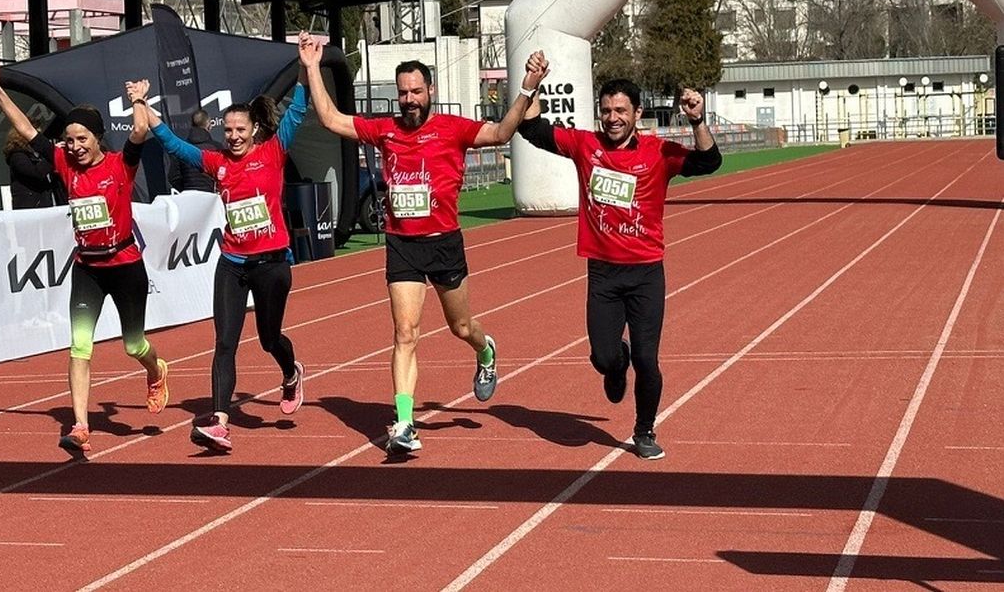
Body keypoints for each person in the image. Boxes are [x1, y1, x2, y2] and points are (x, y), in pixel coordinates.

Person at [304, 49, 533, 456]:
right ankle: (405, 423)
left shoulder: (452, 128)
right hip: (402, 244)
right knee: (405, 333)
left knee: (460, 327)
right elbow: (331, 120)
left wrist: (527, 89)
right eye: (403, 93)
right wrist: (310, 67)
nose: (409, 100)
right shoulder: (385, 131)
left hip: (443, 243)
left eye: (416, 91)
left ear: (431, 90)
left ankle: (485, 349)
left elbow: (499, 133)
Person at [515, 51, 722, 460]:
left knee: (648, 359)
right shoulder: (584, 145)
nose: (613, 118)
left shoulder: (657, 152)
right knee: (604, 357)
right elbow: (531, 128)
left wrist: (698, 120)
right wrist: (532, 83)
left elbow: (709, 161)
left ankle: (644, 430)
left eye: (621, 110)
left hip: (646, 274)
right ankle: (615, 361)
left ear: (637, 113)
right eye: (607, 110)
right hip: (604, 275)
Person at [0, 51, 170, 457]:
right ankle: (81, 424)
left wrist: (139, 99)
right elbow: (27, 129)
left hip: (125, 265)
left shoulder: (121, 165)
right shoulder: (65, 165)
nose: (74, 146)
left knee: (133, 345)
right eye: (69, 140)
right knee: (79, 345)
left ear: (98, 138)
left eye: (82, 139)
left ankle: (155, 370)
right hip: (88, 268)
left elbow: (140, 131)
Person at [135, 35, 312, 452]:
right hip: (232, 263)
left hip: (271, 264)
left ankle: (290, 373)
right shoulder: (216, 163)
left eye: (240, 130)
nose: (233, 136)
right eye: (228, 130)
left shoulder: (273, 152)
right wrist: (143, 104)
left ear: (253, 131)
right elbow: (175, 145)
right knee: (225, 341)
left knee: (270, 339)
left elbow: (298, 112)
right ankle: (218, 420)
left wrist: (305, 69)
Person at [4, 124, 62, 209]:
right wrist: (53, 154)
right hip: (30, 207)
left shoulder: (36, 155)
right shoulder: (17, 156)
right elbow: (36, 173)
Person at [167, 108, 221, 193]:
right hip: (213, 198)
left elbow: (173, 177)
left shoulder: (181, 148)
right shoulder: (217, 147)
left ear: (191, 124)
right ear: (209, 125)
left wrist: (187, 190)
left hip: (190, 199)